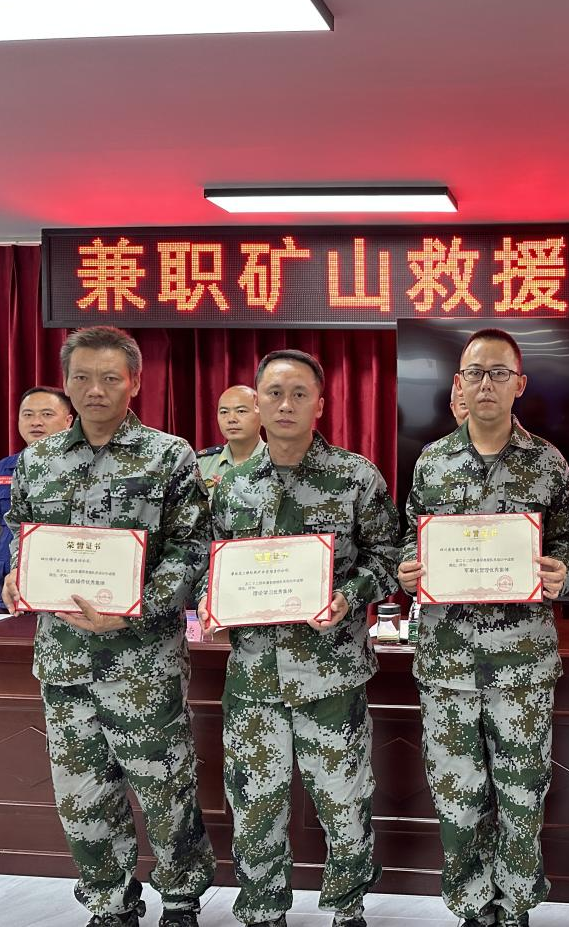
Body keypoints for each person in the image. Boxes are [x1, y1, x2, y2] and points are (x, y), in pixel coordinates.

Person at [4, 326, 215, 927]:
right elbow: (22, 536)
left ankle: (181, 900)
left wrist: (136, 607)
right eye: (82, 377)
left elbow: (192, 549)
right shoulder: (39, 459)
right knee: (82, 797)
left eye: (109, 378)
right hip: (65, 660)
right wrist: (17, 575)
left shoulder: (168, 455)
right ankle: (109, 901)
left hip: (142, 661)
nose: (94, 390)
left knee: (164, 788)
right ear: (67, 383)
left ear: (135, 383)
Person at [205, 349, 398, 927]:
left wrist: (350, 595)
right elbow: (210, 565)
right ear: (257, 403)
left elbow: (390, 558)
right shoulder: (230, 486)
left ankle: (347, 907)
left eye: (298, 394)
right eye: (274, 393)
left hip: (330, 673)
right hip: (254, 677)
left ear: (320, 403)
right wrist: (212, 601)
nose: (285, 404)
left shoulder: (355, 477)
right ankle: (262, 910)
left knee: (344, 800)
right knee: (254, 804)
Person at [397, 328, 569, 927]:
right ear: (458, 383)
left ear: (519, 384)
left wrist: (563, 571)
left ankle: (516, 904)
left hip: (522, 662)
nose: (486, 384)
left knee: (522, 794)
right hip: (447, 662)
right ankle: (474, 906)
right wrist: (408, 568)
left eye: (499, 373)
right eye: (475, 373)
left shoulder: (548, 462)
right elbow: (409, 538)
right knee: (457, 796)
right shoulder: (432, 461)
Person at [0, 386, 73, 607]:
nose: (36, 422)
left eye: (47, 414)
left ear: (68, 421)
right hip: (13, 589)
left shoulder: (85, 466)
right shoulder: (5, 468)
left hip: (66, 586)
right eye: (28, 415)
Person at [196, 384, 264, 497]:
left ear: (263, 416)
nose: (231, 419)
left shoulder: (279, 462)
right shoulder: (201, 463)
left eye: (241, 411)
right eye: (224, 412)